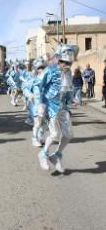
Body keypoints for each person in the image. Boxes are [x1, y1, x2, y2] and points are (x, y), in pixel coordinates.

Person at [38, 44, 79, 173]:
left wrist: (73, 98)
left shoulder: (68, 73)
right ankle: (43, 154)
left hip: (63, 106)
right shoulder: (50, 70)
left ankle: (56, 155)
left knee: (68, 135)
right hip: (51, 106)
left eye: (70, 64)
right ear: (59, 60)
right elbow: (39, 86)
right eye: (65, 63)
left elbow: (68, 89)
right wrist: (41, 105)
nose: (67, 66)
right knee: (55, 134)